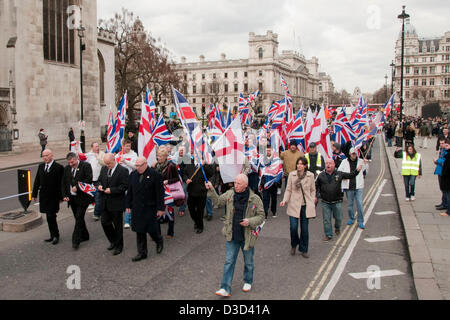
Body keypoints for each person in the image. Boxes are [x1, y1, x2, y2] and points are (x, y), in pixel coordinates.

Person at [205, 174, 265, 297]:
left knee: (248, 262)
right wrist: (211, 189)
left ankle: (248, 280)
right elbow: (217, 201)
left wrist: (250, 221)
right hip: (232, 234)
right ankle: (225, 288)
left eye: (238, 184)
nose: (235, 185)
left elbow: (261, 216)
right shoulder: (230, 194)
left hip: (247, 236)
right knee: (229, 262)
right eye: (235, 182)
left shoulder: (255, 198)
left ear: (245, 185)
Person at [125, 157, 165, 262]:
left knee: (151, 229)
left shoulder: (155, 175)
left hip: (150, 207)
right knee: (139, 230)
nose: (137, 167)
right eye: (136, 165)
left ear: (145, 164)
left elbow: (160, 193)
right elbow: (130, 191)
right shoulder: (133, 175)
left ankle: (159, 240)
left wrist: (161, 208)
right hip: (137, 207)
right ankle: (142, 252)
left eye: (139, 165)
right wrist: (128, 205)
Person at [316, 159, 363, 241]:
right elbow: (316, 186)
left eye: (330, 163)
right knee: (326, 220)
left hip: (336, 201)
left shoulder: (339, 174)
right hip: (325, 202)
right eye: (327, 163)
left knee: (339, 219)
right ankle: (328, 234)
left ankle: (337, 228)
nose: (328, 165)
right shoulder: (321, 176)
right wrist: (316, 196)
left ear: (334, 165)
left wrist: (357, 171)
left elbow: (350, 175)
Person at [280, 156, 316, 258]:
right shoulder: (292, 175)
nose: (299, 166)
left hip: (305, 205)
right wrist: (284, 200)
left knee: (304, 229)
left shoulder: (310, 176)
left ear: (305, 166)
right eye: (298, 164)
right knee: (293, 227)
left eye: (301, 164)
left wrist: (313, 199)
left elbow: (313, 190)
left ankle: (304, 249)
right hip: (294, 204)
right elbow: (288, 190)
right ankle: (294, 244)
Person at [97, 153, 129, 256]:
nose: (107, 165)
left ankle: (119, 246)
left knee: (117, 226)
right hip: (105, 202)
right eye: (106, 164)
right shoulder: (104, 169)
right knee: (104, 222)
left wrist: (112, 190)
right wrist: (99, 186)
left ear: (113, 160)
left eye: (109, 163)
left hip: (116, 202)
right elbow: (98, 181)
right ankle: (113, 240)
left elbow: (125, 186)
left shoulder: (123, 170)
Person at [32, 149, 64, 245]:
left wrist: (61, 197)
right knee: (48, 216)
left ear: (51, 155)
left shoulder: (58, 167)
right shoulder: (41, 166)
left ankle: (56, 236)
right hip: (44, 196)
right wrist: (34, 194)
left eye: (46, 155)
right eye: (43, 156)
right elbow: (37, 180)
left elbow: (62, 183)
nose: (45, 157)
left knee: (51, 215)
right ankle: (52, 235)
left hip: (54, 196)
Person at [62, 152, 93, 250]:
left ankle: (76, 240)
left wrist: (78, 187)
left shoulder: (86, 166)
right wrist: (65, 195)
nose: (71, 165)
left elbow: (89, 179)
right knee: (78, 217)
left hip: (83, 198)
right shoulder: (67, 169)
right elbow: (63, 182)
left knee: (79, 217)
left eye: (72, 162)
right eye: (69, 163)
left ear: (76, 159)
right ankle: (85, 235)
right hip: (72, 198)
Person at [182, 151, 213, 234]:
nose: (197, 155)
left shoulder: (204, 164)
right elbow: (184, 173)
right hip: (191, 191)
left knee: (200, 210)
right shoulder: (189, 163)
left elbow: (211, 173)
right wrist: (186, 179)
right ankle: (196, 221)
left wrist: (204, 166)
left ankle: (200, 226)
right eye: (195, 154)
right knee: (191, 209)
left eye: (198, 154)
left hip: (201, 192)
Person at [153, 147, 180, 239]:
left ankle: (170, 231)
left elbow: (177, 179)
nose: (158, 158)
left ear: (165, 157)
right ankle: (158, 234)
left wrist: (167, 181)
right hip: (157, 193)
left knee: (169, 212)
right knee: (156, 213)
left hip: (168, 193)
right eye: (157, 156)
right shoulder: (156, 165)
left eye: (160, 156)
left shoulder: (171, 166)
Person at [338, 148, 368, 229]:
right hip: (349, 186)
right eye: (352, 153)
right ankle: (351, 218)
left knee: (359, 204)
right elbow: (340, 171)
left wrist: (365, 163)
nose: (354, 155)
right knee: (350, 205)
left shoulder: (361, 161)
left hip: (359, 186)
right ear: (350, 154)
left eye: (355, 153)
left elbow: (366, 171)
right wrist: (343, 177)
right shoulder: (344, 161)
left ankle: (361, 221)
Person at [115, 140, 137, 229]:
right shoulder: (118, 155)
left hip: (130, 179)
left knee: (129, 199)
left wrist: (125, 162)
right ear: (122, 146)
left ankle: (127, 220)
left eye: (129, 146)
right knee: (122, 200)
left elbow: (136, 166)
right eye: (126, 146)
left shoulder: (134, 155)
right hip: (120, 181)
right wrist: (118, 164)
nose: (128, 147)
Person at [85, 142, 105, 221]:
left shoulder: (102, 154)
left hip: (99, 179)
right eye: (96, 146)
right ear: (92, 147)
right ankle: (97, 207)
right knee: (92, 196)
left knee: (98, 197)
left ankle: (96, 214)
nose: (97, 147)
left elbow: (104, 163)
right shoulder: (89, 155)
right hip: (91, 180)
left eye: (98, 146)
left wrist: (98, 157)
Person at [260, 145, 280, 219]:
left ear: (272, 151)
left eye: (269, 150)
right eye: (267, 150)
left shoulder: (277, 159)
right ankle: (265, 212)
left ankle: (274, 211)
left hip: (274, 181)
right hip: (265, 180)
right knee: (265, 198)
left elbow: (280, 170)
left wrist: (277, 179)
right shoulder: (262, 158)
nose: (268, 152)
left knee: (274, 197)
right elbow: (265, 164)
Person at [434, 137, 448, 211]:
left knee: (444, 189)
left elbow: (444, 161)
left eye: (443, 143)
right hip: (439, 170)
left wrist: (437, 160)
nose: (441, 145)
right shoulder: (442, 150)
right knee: (442, 188)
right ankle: (443, 202)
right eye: (440, 144)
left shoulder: (446, 151)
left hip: (444, 172)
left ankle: (445, 204)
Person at [439, 138, 450, 217]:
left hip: (448, 178)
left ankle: (448, 211)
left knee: (448, 194)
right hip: (446, 177)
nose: (446, 147)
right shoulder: (447, 153)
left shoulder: (449, 155)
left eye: (447, 145)